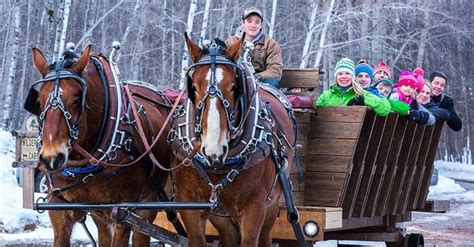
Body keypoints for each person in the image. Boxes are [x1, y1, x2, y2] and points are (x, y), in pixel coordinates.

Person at [225, 7, 283, 88]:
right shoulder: (230, 42)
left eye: (257, 22)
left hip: (261, 82)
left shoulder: (270, 44)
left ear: (261, 25)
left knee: (272, 83)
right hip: (236, 80)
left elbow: (275, 70)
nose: (253, 25)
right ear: (242, 23)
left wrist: (257, 77)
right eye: (249, 21)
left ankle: (265, 100)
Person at [316, 58, 391, 117]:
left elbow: (385, 108)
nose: (344, 77)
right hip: (328, 133)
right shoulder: (326, 96)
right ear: (336, 77)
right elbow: (314, 111)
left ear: (352, 77)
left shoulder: (361, 93)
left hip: (352, 133)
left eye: (347, 73)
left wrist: (365, 99)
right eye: (340, 74)